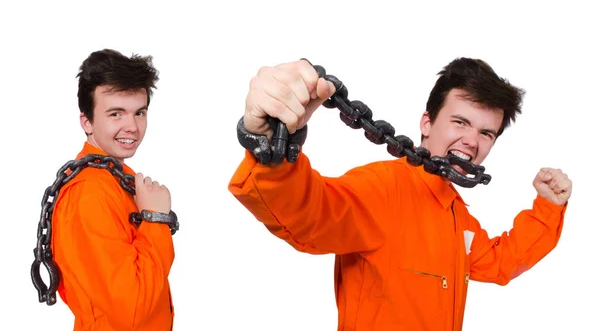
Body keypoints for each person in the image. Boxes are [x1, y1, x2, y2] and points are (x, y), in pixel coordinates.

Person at [228, 58, 572, 330]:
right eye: (461, 122)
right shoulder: (384, 189)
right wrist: (268, 145)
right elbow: (310, 213)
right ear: (426, 123)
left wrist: (548, 208)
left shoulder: (456, 215)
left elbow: (500, 263)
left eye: (487, 132)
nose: (473, 141)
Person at [50, 49, 177, 331]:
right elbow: (132, 310)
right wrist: (155, 219)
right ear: (87, 121)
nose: (132, 126)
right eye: (116, 114)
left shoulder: (117, 179)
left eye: (139, 112)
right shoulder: (89, 193)